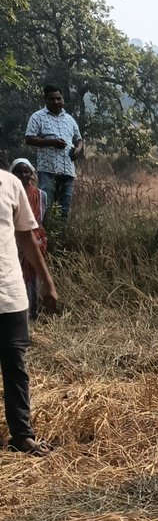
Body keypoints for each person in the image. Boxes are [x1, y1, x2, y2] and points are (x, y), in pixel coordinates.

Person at [0, 166, 59, 456]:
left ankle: (22, 435)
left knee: (15, 368)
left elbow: (27, 237)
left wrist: (47, 281)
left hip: (9, 293)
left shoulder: (11, 184)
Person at [24, 84, 84, 219]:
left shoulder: (69, 119)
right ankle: (45, 236)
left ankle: (61, 237)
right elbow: (29, 138)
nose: (56, 102)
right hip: (48, 170)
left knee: (64, 208)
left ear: (63, 99)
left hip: (68, 170)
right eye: (52, 99)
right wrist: (51, 142)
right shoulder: (37, 117)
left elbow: (79, 139)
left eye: (59, 99)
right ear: (45, 100)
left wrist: (77, 149)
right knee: (46, 207)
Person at [11, 158, 49, 318]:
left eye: (26, 171)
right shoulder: (8, 194)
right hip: (12, 242)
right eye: (19, 172)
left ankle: (32, 314)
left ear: (31, 173)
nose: (23, 175)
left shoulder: (41, 195)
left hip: (34, 242)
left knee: (32, 279)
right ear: (12, 174)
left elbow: (41, 221)